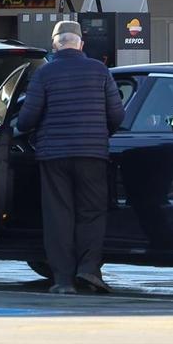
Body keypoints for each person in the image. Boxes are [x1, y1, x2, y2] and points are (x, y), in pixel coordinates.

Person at [17, 20, 125, 295]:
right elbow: (117, 116)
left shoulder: (44, 74)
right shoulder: (100, 71)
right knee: (92, 212)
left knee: (58, 215)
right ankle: (89, 270)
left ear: (55, 44)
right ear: (81, 44)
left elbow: (27, 119)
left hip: (54, 156)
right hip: (92, 154)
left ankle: (63, 281)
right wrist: (99, 134)